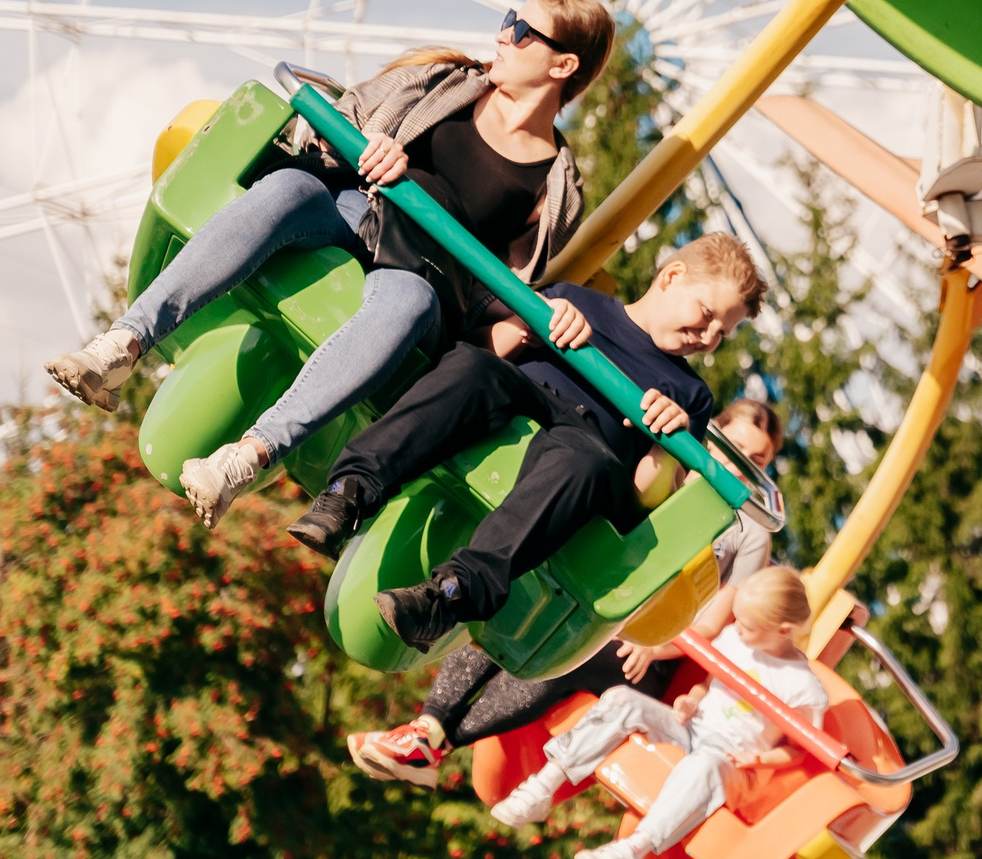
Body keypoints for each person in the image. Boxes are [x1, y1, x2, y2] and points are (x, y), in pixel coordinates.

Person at [44, 0, 617, 526]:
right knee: (288, 190)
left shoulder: (556, 186)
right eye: (506, 21)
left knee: (409, 303)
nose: (502, 36)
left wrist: (536, 317)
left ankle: (247, 457)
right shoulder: (442, 82)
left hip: (423, 272)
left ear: (561, 66)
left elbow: (503, 285)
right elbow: (328, 127)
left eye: (521, 32)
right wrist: (371, 143)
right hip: (356, 208)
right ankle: (121, 346)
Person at [285, 232, 769, 652]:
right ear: (671, 276)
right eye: (707, 315)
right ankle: (348, 494)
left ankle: (450, 596)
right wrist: (524, 328)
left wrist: (669, 443)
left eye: (721, 335)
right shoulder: (575, 301)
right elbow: (474, 359)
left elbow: (644, 492)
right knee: (474, 368)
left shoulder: (689, 395)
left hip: (586, 446)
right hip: (525, 393)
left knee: (585, 461)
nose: (707, 338)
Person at [345, 397, 787, 787]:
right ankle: (428, 733)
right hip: (603, 594)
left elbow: (710, 622)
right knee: (522, 592)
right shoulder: (671, 471)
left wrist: (655, 648)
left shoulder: (748, 532)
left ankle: (430, 742)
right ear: (712, 438)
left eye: (756, 461)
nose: (739, 465)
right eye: (733, 449)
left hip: (649, 645)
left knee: (580, 640)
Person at [487, 565, 833, 859]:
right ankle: (545, 784)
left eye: (748, 625)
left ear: (783, 631)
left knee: (704, 765)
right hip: (691, 729)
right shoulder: (734, 639)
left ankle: (631, 852)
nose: (738, 628)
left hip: (731, 761)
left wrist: (756, 762)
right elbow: (710, 684)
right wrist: (691, 699)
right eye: (738, 618)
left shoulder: (802, 687)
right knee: (622, 699)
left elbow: (797, 751)